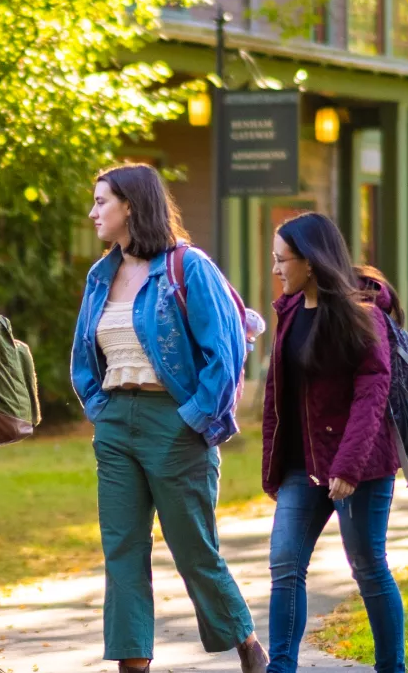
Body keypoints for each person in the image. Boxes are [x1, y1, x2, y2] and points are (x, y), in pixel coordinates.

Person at [70, 163, 270, 673]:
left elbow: (224, 352)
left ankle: (246, 642)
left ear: (131, 206)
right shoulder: (101, 276)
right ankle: (131, 664)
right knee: (122, 549)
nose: (93, 212)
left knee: (193, 549)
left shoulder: (188, 266)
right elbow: (82, 356)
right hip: (116, 424)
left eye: (101, 202)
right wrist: (100, 407)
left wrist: (195, 418)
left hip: (175, 422)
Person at [262, 212, 405, 673]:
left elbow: (372, 392)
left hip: (358, 466)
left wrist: (348, 466)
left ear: (311, 260)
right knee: (285, 564)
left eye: (283, 260)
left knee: (367, 567)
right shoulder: (287, 312)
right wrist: (275, 464)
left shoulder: (362, 315)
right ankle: (280, 668)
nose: (277, 269)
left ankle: (392, 668)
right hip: (302, 467)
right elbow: (279, 397)